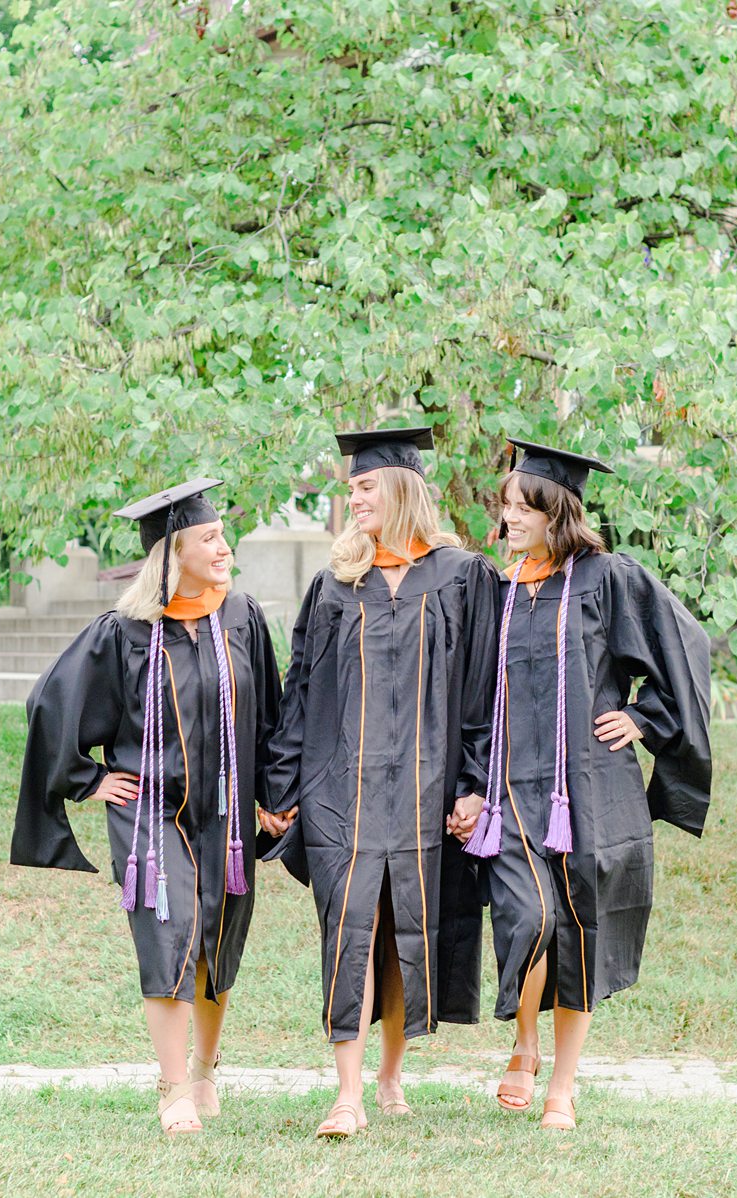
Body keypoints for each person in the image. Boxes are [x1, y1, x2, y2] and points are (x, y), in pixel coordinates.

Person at [10, 478, 288, 1136]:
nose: (223, 547)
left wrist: (273, 800)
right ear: (174, 553)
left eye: (221, 536)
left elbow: (272, 718)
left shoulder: (241, 618)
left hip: (224, 813)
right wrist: (89, 778)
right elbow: (50, 705)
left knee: (216, 939)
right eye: (209, 539)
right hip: (149, 812)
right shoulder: (125, 631)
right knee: (170, 931)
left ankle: (204, 1069)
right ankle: (172, 1090)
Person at [457, 440, 713, 1132]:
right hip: (512, 789)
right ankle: (525, 1042)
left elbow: (682, 647)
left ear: (554, 512)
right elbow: (474, 700)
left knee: (581, 932)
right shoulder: (498, 590)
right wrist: (471, 786)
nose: (507, 517)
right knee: (529, 917)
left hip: (590, 789)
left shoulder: (606, 579)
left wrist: (641, 717)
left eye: (521, 507)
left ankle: (562, 1086)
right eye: (505, 505)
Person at [264, 427, 499, 1139]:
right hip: (342, 788)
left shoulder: (463, 576)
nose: (352, 496)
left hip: (431, 789)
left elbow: (487, 690)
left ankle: (391, 1073)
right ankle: (346, 1094)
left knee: (405, 929)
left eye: (364, 486)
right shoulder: (336, 584)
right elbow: (299, 687)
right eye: (351, 486)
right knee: (349, 931)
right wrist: (281, 786)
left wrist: (474, 783)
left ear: (399, 488)